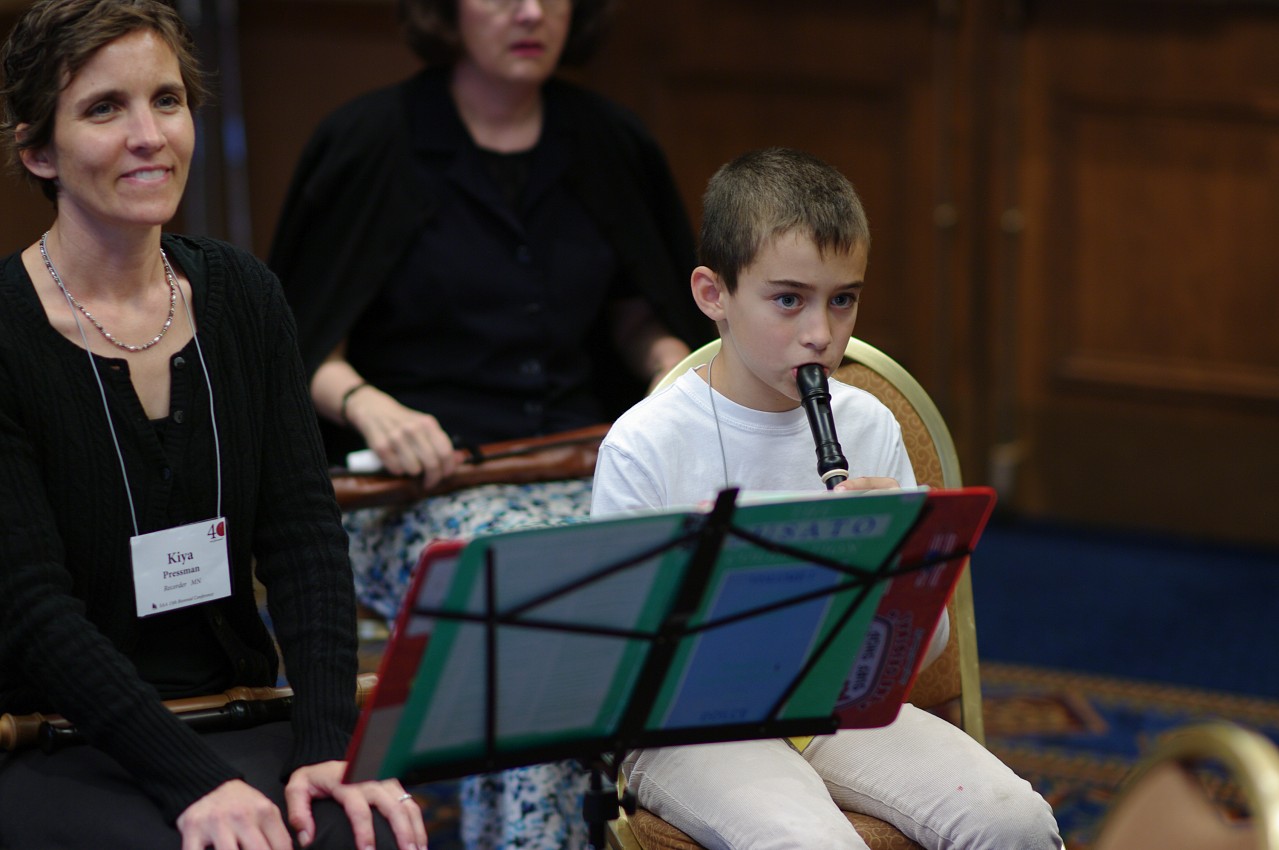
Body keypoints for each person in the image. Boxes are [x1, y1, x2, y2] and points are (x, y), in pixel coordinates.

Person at [269, 1, 709, 847]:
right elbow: (295, 345)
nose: (531, 11)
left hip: (586, 469)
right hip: (415, 492)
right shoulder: (368, 142)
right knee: (533, 604)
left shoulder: (610, 140)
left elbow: (636, 309)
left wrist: (663, 362)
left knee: (671, 574)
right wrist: (370, 404)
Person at [0, 2, 427, 849]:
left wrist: (326, 745)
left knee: (359, 829)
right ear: (37, 151)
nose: (149, 134)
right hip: (59, 734)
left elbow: (304, 540)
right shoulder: (6, 332)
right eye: (102, 109)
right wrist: (195, 784)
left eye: (166, 100)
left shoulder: (244, 296)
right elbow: (30, 611)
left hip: (242, 711)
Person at [591, 147, 1065, 850]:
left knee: (1014, 821)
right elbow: (610, 661)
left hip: (833, 702)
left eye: (842, 299)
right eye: (788, 299)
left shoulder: (866, 424)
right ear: (711, 294)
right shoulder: (647, 441)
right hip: (682, 728)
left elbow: (919, 648)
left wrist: (900, 557)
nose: (821, 332)